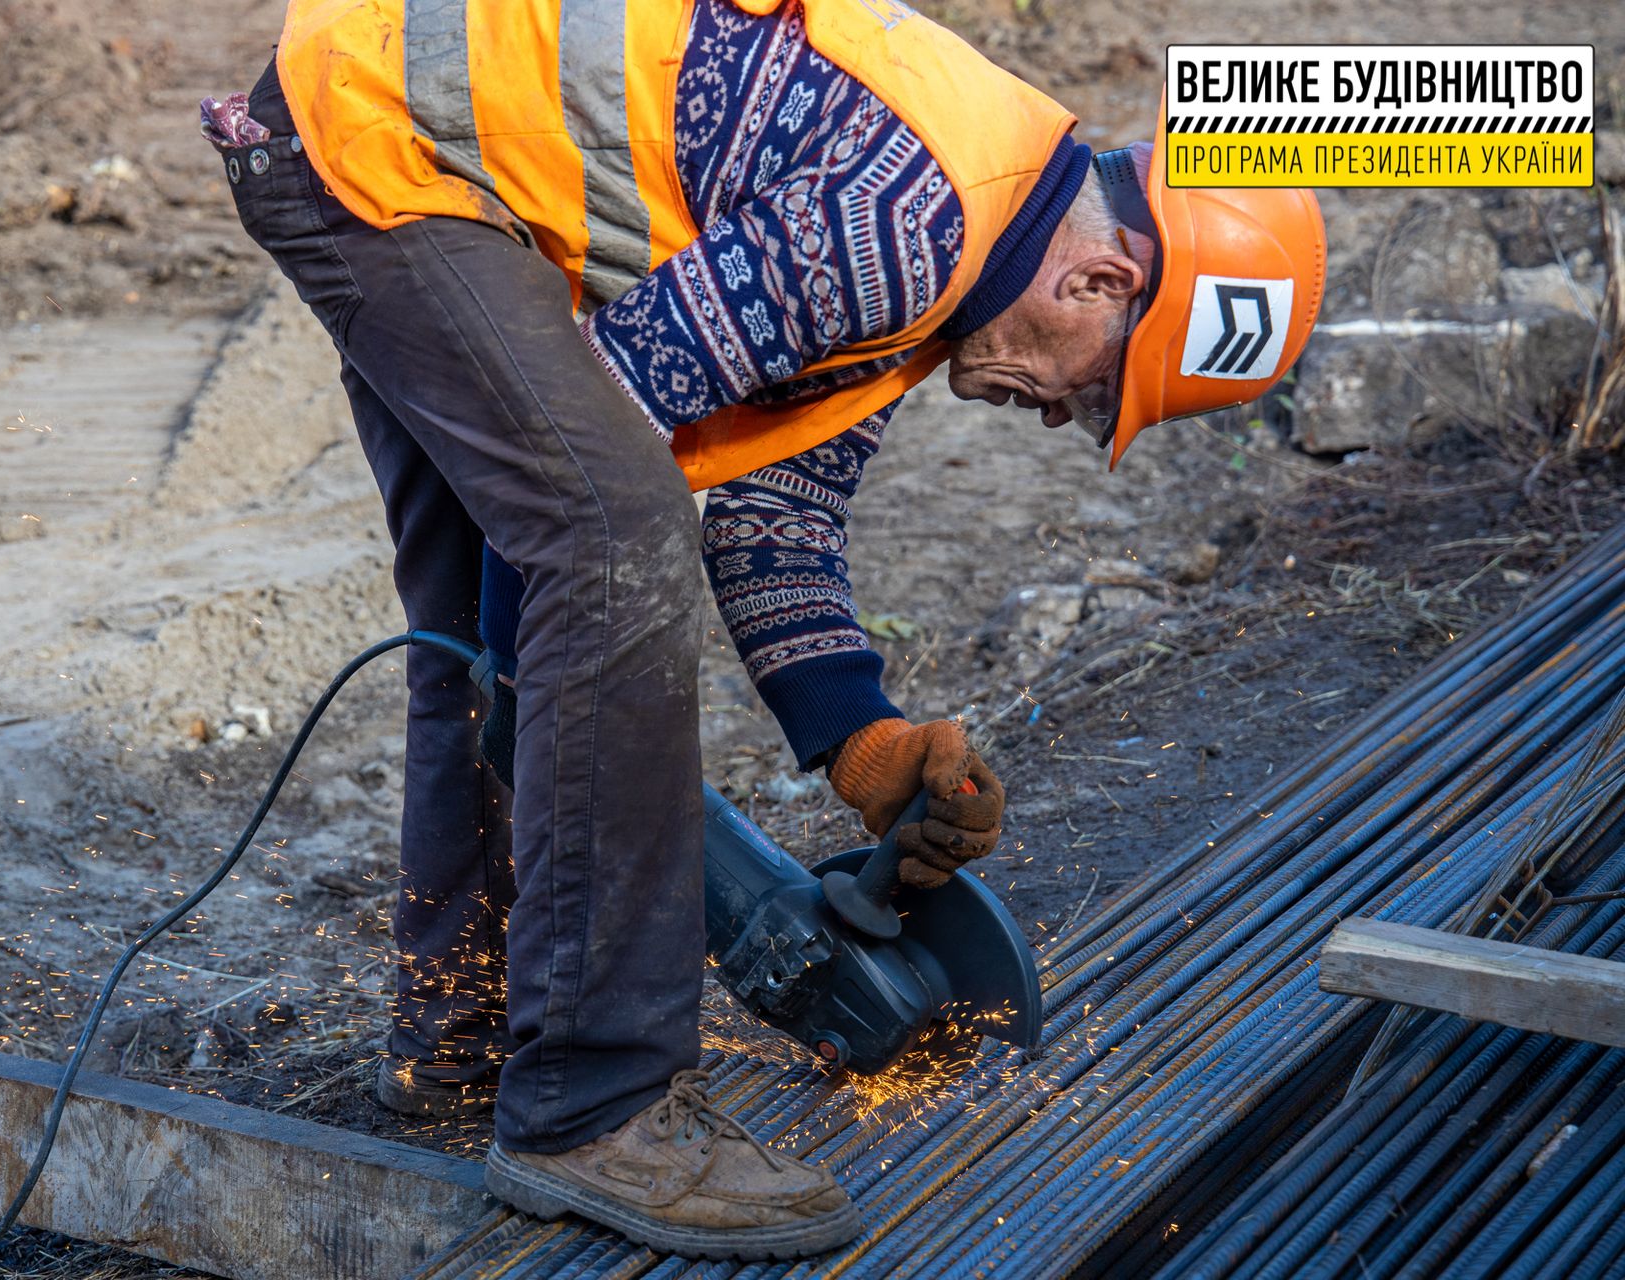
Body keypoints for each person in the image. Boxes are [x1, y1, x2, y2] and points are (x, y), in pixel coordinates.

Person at [204, 0, 1325, 1259]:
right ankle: (592, 1099)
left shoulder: (957, 255)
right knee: (608, 540)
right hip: (380, 136)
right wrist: (557, 716)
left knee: (495, 602)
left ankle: (462, 1036)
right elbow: (601, 465)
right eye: (1102, 386)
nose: (1069, 418)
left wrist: (866, 747)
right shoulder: (914, 228)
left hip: (419, 136)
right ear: (1100, 280)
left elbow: (773, 519)